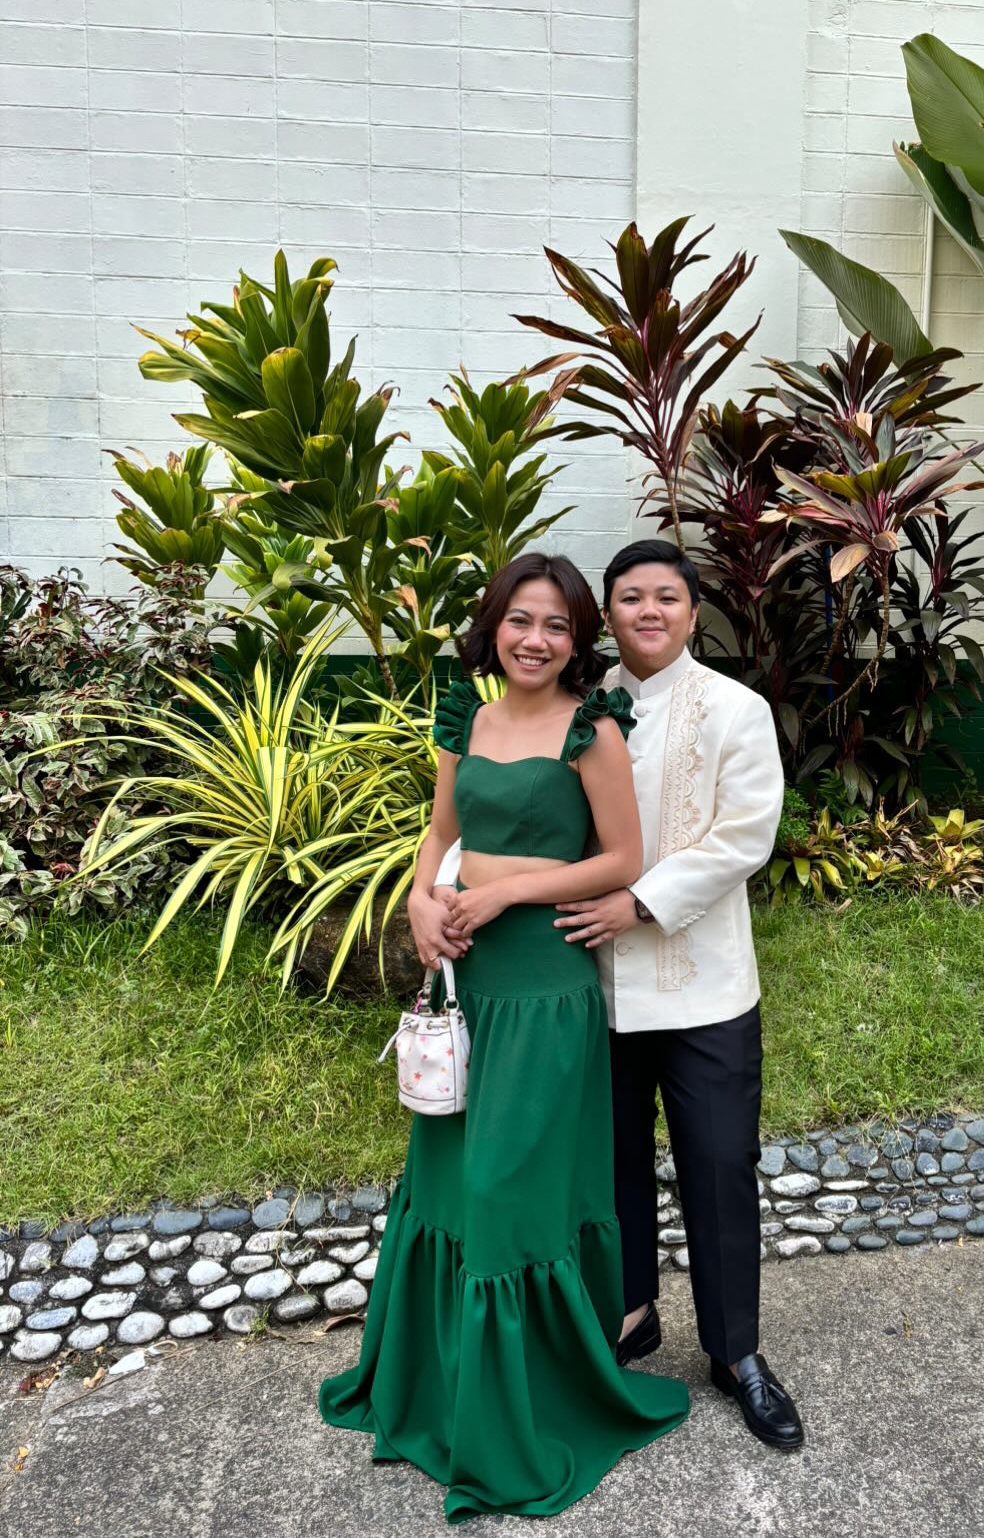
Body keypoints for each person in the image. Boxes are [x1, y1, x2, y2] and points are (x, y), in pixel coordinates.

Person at [320, 552, 690, 1521]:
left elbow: (622, 857)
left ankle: (519, 1413)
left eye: (558, 625)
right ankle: (438, 1395)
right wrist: (417, 901)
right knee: (447, 1181)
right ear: (494, 626)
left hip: (544, 990)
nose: (536, 639)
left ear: (579, 641)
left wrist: (509, 889)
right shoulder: (465, 717)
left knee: (506, 1189)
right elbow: (438, 832)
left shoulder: (591, 726)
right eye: (521, 620)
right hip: (467, 983)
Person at [420, 538, 799, 1450]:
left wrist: (638, 900)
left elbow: (744, 838)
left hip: (698, 986)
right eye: (630, 598)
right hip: (585, 987)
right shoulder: (576, 708)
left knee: (716, 1167)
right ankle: (627, 1317)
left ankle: (736, 1353)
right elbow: (505, 818)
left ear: (691, 610)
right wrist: (435, 889)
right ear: (612, 616)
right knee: (605, 1163)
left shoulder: (734, 710)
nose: (648, 613)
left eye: (665, 597)